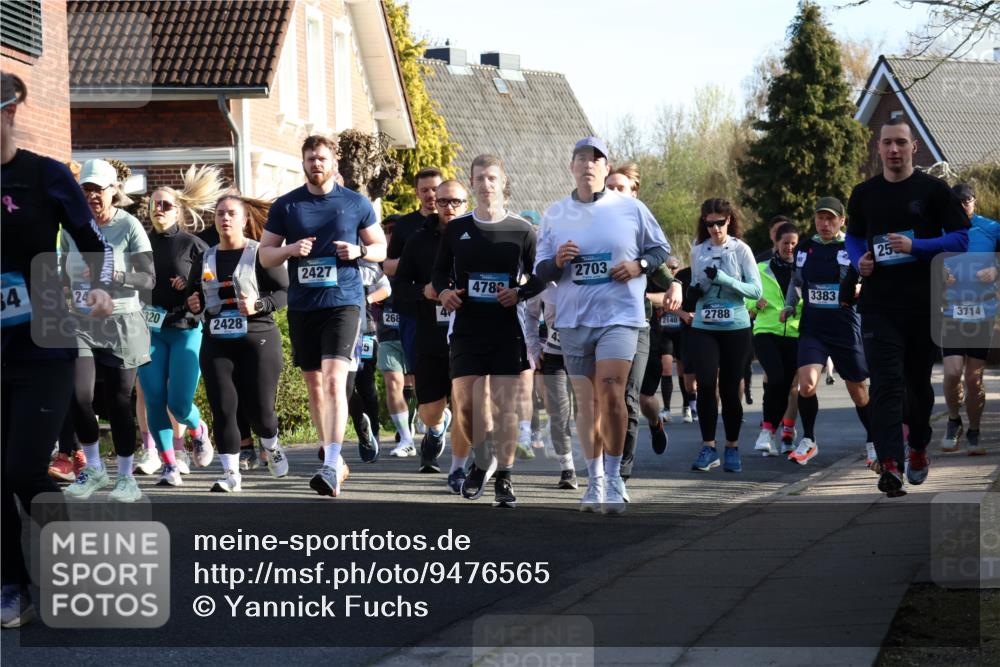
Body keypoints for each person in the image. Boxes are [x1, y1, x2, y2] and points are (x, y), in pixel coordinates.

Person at [2, 71, 115, 628]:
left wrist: (98, 285)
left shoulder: (44, 176)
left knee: (23, 467)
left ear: (10, 113)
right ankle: (11, 585)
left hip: (45, 342)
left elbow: (94, 244)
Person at [535, 137, 676, 514]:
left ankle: (614, 477)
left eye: (595, 160)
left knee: (612, 392)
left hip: (621, 316)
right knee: (587, 402)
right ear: (572, 167)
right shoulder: (555, 214)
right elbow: (541, 270)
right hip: (575, 318)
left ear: (605, 167)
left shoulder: (630, 208)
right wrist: (558, 264)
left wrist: (638, 267)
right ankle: (594, 478)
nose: (588, 165)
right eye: (581, 158)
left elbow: (659, 250)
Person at [845, 117, 969, 496]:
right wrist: (858, 261)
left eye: (901, 142)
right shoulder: (864, 193)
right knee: (885, 385)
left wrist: (917, 247)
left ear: (913, 146)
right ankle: (891, 465)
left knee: (916, 387)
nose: (894, 150)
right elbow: (852, 238)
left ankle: (917, 446)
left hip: (923, 303)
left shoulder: (933, 191)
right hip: (879, 305)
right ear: (878, 148)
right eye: (887, 143)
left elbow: (961, 239)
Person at [259, 135, 387, 498]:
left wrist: (359, 250)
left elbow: (381, 248)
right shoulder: (287, 206)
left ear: (334, 163)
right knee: (315, 386)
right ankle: (333, 457)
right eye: (311, 158)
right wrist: (289, 249)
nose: (316, 164)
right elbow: (266, 256)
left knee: (333, 381)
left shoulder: (354, 202)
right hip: (304, 306)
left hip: (344, 302)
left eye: (322, 158)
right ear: (303, 163)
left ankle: (331, 462)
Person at [433, 155, 543, 508]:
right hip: (466, 327)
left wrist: (520, 292)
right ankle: (483, 457)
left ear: (502, 182)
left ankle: (505, 480)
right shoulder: (455, 229)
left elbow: (539, 276)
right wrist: (446, 292)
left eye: (492, 178)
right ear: (472, 183)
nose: (486, 184)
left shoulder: (523, 230)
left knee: (504, 406)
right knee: (464, 403)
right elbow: (438, 275)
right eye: (479, 178)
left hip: (506, 328)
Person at [61, 159, 155, 503]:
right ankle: (95, 469)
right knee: (79, 395)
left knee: (118, 402)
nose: (91, 196)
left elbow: (148, 279)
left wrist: (118, 276)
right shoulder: (71, 229)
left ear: (113, 191)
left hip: (122, 322)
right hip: (83, 322)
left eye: (97, 190)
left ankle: (127, 477)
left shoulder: (129, 226)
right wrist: (68, 292)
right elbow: (62, 274)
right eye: (85, 190)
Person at [186, 193, 290, 491]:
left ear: (244, 220)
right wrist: (192, 302)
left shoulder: (260, 253)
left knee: (260, 414)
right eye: (220, 213)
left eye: (232, 213)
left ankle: (271, 444)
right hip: (217, 341)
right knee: (223, 408)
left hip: (257, 339)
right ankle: (231, 474)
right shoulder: (205, 257)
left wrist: (259, 305)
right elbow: (194, 297)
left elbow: (285, 293)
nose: (225, 218)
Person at [135, 165, 225, 486]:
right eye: (155, 205)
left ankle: (198, 430)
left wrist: (190, 288)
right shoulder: (140, 244)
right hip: (150, 330)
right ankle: (169, 464)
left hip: (186, 329)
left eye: (166, 205)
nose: (159, 210)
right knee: (155, 397)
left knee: (179, 402)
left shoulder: (193, 246)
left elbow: (211, 286)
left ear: (178, 210)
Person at [780, 198, 874, 466]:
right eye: (820, 218)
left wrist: (860, 291)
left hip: (845, 327)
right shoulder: (805, 248)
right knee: (806, 385)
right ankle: (809, 440)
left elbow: (871, 279)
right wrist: (789, 305)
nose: (825, 224)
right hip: (813, 327)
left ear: (842, 221)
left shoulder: (852, 247)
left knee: (858, 391)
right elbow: (796, 282)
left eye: (831, 218)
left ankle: (873, 440)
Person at [395, 180, 467, 481]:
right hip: (429, 331)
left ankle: (461, 466)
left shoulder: (477, 236)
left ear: (467, 204)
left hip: (467, 332)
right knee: (429, 410)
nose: (449, 207)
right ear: (434, 204)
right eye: (443, 202)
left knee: (466, 400)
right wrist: (422, 291)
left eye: (456, 202)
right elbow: (398, 288)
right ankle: (436, 430)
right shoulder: (418, 239)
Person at [607, 163, 672, 480]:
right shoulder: (590, 229)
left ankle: (622, 469)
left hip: (639, 326)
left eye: (620, 188)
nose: (613, 193)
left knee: (636, 398)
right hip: (599, 326)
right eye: (609, 187)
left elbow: (662, 271)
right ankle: (605, 462)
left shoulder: (642, 234)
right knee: (608, 398)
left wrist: (675, 285)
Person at [687, 199, 762, 474]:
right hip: (705, 325)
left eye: (720, 223)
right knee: (705, 384)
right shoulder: (698, 251)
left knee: (731, 389)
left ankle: (732, 446)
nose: (715, 229)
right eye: (710, 224)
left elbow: (756, 291)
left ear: (729, 220)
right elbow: (696, 284)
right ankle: (708, 446)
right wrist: (693, 291)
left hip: (735, 326)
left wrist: (724, 279)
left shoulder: (741, 249)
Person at [940, 183, 999, 456]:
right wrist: (940, 275)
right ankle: (954, 421)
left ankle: (974, 431)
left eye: (967, 200)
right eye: (957, 201)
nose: (963, 205)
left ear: (974, 201)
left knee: (973, 378)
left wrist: (995, 270)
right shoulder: (940, 228)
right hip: (950, 311)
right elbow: (924, 259)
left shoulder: (991, 228)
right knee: (952, 373)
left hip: (982, 312)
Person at [384, 168, 443, 427]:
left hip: (450, 307)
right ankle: (429, 414)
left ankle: (441, 412)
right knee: (418, 366)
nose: (431, 195)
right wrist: (414, 262)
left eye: (435, 189)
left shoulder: (460, 224)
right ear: (417, 193)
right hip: (414, 307)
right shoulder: (406, 226)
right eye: (425, 190)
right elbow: (387, 266)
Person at [749, 222, 801, 457]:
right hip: (766, 330)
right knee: (777, 378)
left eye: (793, 244)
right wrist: (753, 304)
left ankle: (774, 430)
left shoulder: (803, 270)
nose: (789, 248)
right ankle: (767, 432)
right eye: (785, 243)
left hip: (794, 332)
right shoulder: (760, 268)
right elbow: (745, 295)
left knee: (787, 386)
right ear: (776, 244)